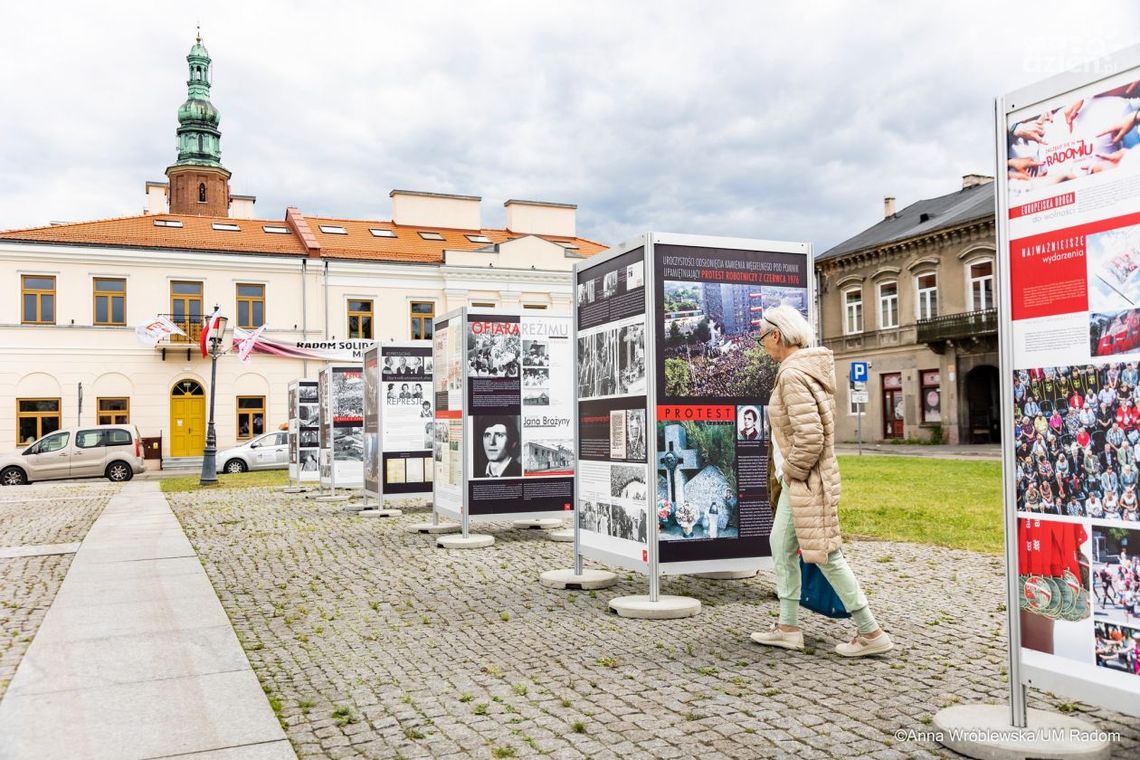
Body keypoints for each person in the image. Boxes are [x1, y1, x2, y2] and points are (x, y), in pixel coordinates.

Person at [749, 305, 893, 657]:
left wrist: (791, 471)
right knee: (785, 546)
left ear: (777, 335)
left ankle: (870, 632)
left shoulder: (793, 375)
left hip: (805, 481)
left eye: (763, 337)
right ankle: (788, 626)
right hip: (808, 480)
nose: (763, 345)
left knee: (824, 553)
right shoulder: (806, 370)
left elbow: (810, 436)